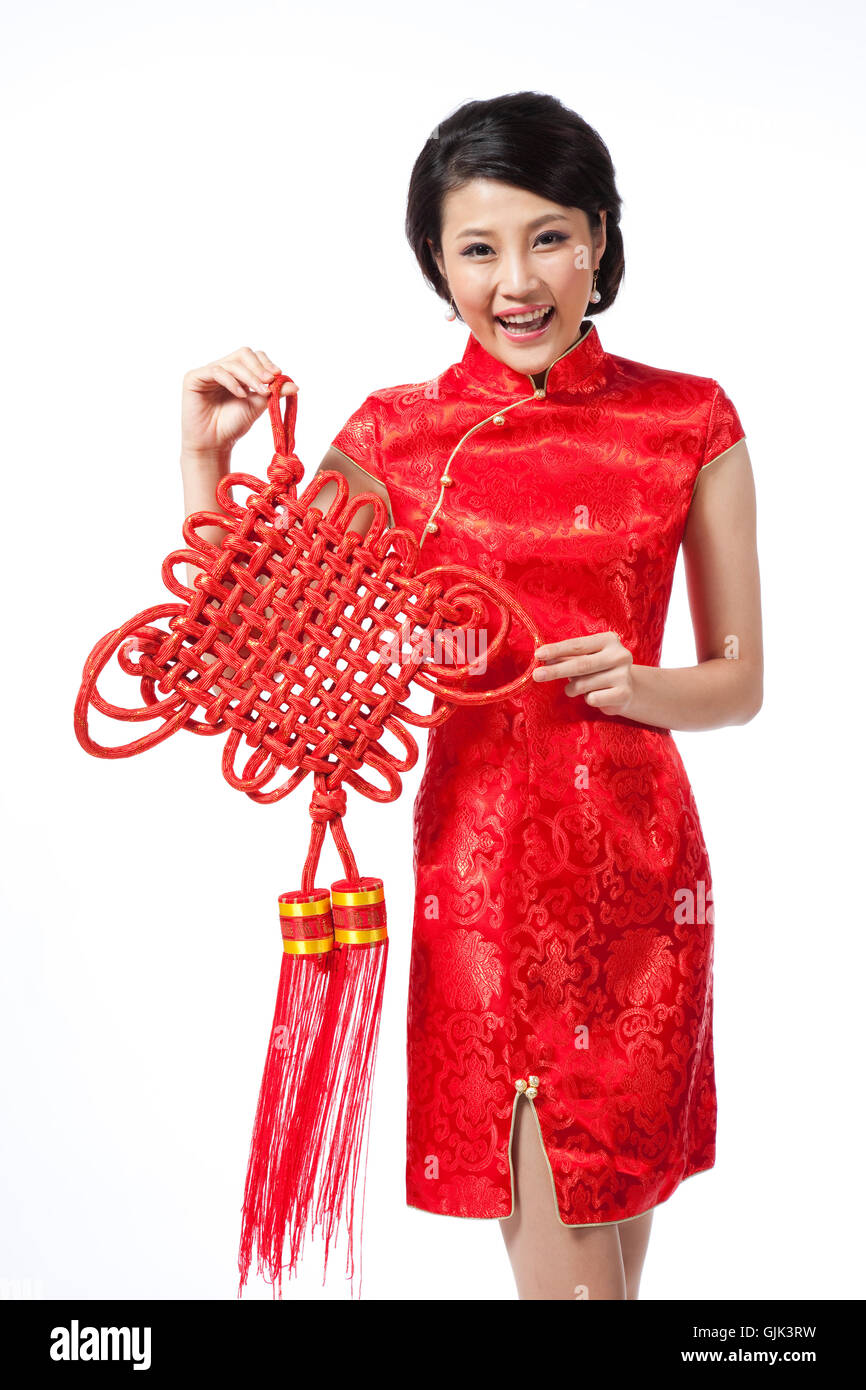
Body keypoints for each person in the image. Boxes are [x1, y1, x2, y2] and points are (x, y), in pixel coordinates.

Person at [178, 91, 763, 1301]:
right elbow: (243, 660)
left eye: (548, 236)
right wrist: (206, 461)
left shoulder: (686, 417)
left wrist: (642, 683)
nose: (516, 281)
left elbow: (739, 682)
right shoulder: (393, 436)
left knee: (617, 1250)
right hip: (484, 883)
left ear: (598, 238)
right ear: (435, 263)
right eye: (477, 248)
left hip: (645, 879)